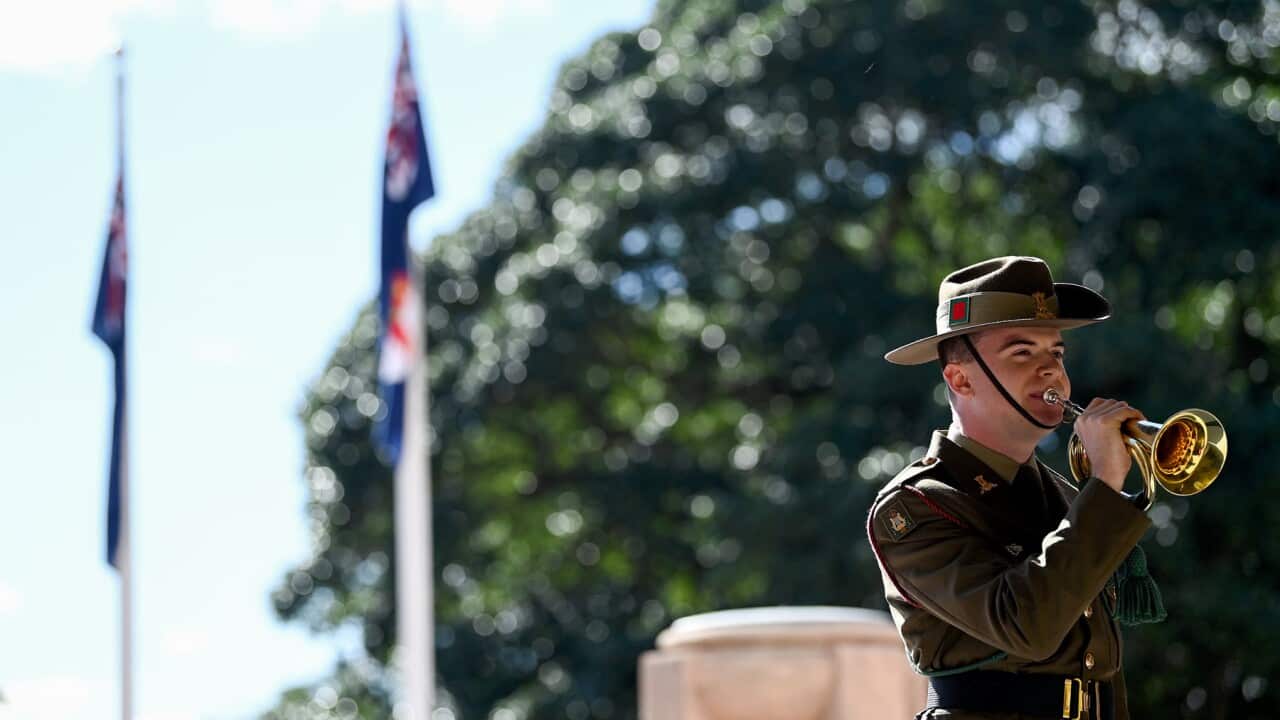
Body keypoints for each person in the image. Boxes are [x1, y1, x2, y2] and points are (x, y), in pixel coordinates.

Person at [867, 256, 1159, 719]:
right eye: (1022, 352)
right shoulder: (915, 506)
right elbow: (1027, 626)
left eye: (1056, 353)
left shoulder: (1064, 494)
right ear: (960, 378)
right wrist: (1105, 484)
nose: (1051, 372)